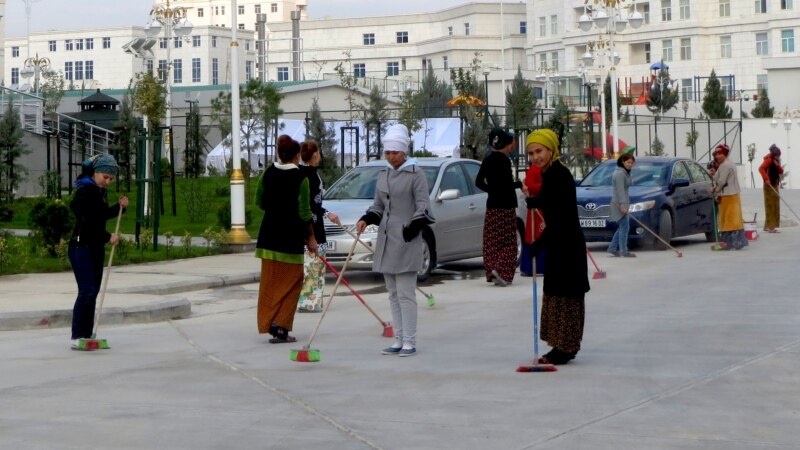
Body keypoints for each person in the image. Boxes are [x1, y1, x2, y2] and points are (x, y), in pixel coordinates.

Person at [356, 123, 434, 357]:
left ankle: (410, 340)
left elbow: (423, 205)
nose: (391, 157)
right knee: (392, 292)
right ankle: (398, 339)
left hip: (407, 238)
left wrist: (414, 226)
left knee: (406, 293)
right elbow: (379, 205)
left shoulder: (415, 174)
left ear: (404, 152)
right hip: (387, 240)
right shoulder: (384, 173)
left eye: (395, 152)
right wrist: (367, 218)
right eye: (387, 152)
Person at [524, 129, 590, 365]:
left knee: (566, 295)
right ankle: (562, 345)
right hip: (558, 243)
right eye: (531, 153)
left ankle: (565, 348)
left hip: (566, 244)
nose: (535, 157)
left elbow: (560, 217)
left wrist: (537, 244)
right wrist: (536, 201)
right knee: (556, 293)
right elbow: (552, 202)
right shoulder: (551, 174)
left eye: (539, 151)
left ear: (551, 150)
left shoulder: (558, 175)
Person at [255, 135, 318, 343]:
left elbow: (259, 201)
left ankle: (268, 323)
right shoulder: (301, 178)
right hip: (289, 239)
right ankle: (280, 326)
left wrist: (275, 211)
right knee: (294, 281)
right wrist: (310, 237)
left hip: (268, 237)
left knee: (270, 284)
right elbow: (304, 212)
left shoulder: (268, 173)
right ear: (297, 155)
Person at [68, 154, 128, 349]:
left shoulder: (98, 191)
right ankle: (77, 336)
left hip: (95, 248)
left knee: (92, 293)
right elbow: (87, 222)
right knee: (87, 291)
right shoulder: (84, 191)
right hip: (81, 247)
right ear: (95, 173)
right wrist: (107, 236)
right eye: (105, 177)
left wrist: (119, 208)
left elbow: (100, 215)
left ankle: (87, 334)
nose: (108, 181)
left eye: (111, 178)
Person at [475, 127, 527, 286]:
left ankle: (492, 271)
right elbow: (506, 184)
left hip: (492, 207)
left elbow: (478, 182)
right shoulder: (504, 161)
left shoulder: (487, 160)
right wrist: (519, 184)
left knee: (491, 241)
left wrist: (491, 190)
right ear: (504, 144)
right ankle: (502, 271)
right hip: (506, 206)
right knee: (509, 242)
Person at [297, 140, 341, 313]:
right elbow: (311, 203)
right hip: (313, 225)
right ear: (315, 154)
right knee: (314, 264)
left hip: (306, 223)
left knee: (308, 264)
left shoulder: (301, 173)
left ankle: (307, 300)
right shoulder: (311, 176)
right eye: (319, 153)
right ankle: (310, 302)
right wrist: (326, 213)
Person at [711, 143, 748, 250]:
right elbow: (720, 178)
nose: (717, 156)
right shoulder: (730, 163)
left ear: (725, 154)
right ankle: (736, 242)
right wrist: (714, 174)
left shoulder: (725, 165)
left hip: (727, 195)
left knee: (727, 220)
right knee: (734, 219)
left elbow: (721, 181)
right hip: (733, 195)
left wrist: (715, 190)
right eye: (716, 154)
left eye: (720, 154)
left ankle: (728, 243)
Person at [607, 152, 636, 257]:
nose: (630, 164)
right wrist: (623, 205)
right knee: (624, 227)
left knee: (623, 227)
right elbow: (620, 191)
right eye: (628, 162)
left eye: (631, 163)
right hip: (618, 204)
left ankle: (612, 248)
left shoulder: (625, 172)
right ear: (623, 162)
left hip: (622, 203)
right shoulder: (619, 174)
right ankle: (624, 251)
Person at [519, 159, 544, 277]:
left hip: (540, 206)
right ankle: (533, 267)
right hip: (536, 207)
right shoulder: (535, 169)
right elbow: (529, 184)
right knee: (536, 235)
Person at [759, 144, 784, 233]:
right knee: (770, 205)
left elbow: (781, 171)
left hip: (774, 185)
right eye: (777, 155)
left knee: (775, 205)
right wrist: (766, 179)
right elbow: (761, 169)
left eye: (779, 155)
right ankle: (771, 227)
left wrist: (777, 165)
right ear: (774, 154)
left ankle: (768, 226)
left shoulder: (775, 161)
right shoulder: (769, 160)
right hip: (769, 186)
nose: (778, 157)